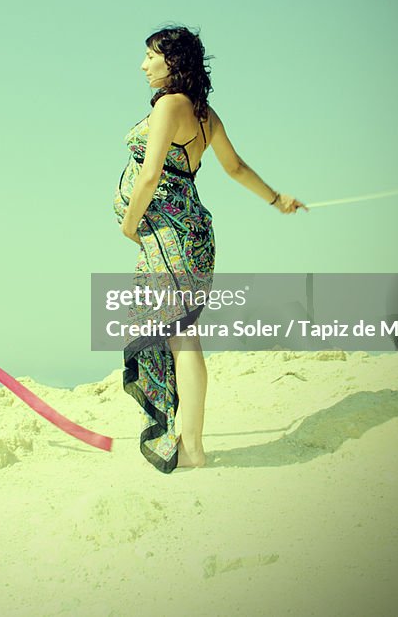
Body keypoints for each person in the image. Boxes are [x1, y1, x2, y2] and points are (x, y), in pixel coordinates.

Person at [113, 25, 307, 472]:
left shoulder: (169, 107)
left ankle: (194, 449)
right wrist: (278, 200)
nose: (144, 65)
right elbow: (235, 168)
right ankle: (192, 444)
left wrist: (129, 223)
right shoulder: (205, 113)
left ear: (173, 62)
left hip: (171, 236)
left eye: (150, 56)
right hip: (195, 232)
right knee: (184, 334)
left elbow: (149, 177)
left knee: (182, 337)